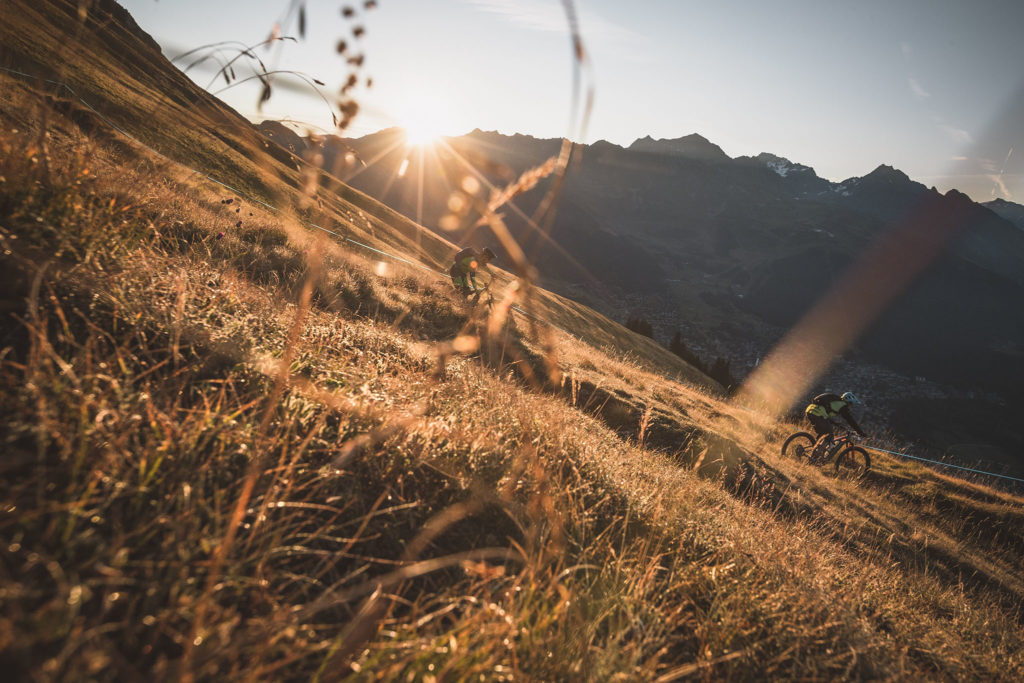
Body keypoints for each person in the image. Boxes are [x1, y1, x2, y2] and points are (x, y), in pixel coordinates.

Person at [804, 391, 866, 456]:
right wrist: (860, 432)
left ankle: (814, 451)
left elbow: (826, 413)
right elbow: (850, 420)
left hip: (810, 410)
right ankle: (816, 455)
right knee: (829, 434)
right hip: (817, 413)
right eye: (851, 404)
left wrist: (836, 424)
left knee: (823, 433)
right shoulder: (843, 406)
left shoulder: (836, 402)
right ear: (848, 402)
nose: (851, 406)